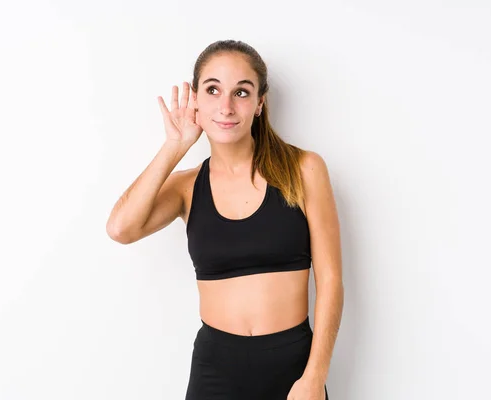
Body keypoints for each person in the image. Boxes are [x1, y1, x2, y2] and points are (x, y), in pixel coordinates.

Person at [106, 40, 343, 400]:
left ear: (260, 102)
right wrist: (175, 145)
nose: (226, 106)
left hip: (293, 368)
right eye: (213, 90)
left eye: (242, 92)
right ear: (196, 100)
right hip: (215, 371)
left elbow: (330, 280)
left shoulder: (304, 169)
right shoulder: (187, 187)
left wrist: (314, 377)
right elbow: (121, 229)